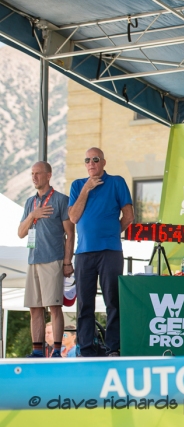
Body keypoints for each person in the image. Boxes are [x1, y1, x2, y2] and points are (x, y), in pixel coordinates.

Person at [69, 147, 134, 357]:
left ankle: (113, 347)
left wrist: (113, 232)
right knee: (84, 303)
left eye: (95, 159)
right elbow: (73, 217)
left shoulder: (116, 182)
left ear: (103, 162)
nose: (91, 163)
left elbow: (129, 215)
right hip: (84, 253)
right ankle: (86, 348)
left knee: (112, 300)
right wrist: (86, 189)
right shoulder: (78, 185)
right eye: (87, 160)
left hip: (110, 251)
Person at [18, 161, 74, 359]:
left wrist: (67, 262)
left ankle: (57, 351)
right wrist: (33, 215)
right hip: (33, 259)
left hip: (53, 259)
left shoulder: (60, 200)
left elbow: (70, 233)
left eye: (38, 173)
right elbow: (20, 233)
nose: (34, 177)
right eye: (32, 174)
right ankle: (37, 351)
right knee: (34, 307)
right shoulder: (29, 203)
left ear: (49, 175)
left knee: (54, 306)